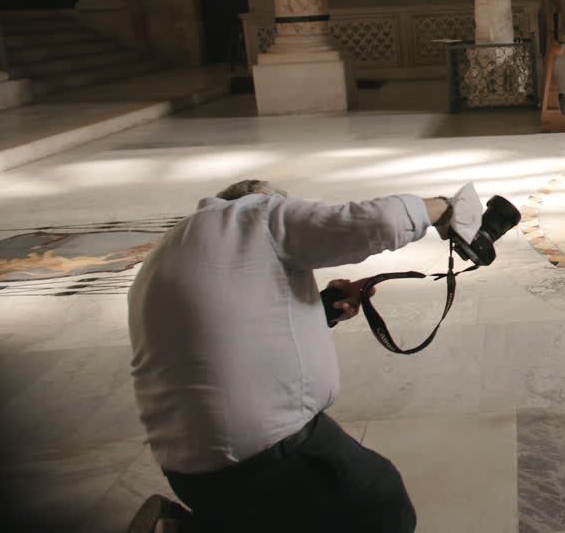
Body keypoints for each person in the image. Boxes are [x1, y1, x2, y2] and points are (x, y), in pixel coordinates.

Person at [127, 179, 451, 532]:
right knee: (380, 503)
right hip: (265, 459)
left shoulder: (170, 250)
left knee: (274, 516)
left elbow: (221, 327)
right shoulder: (256, 213)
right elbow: (377, 222)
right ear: (262, 196)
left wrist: (323, 309)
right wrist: (444, 208)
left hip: (189, 474)